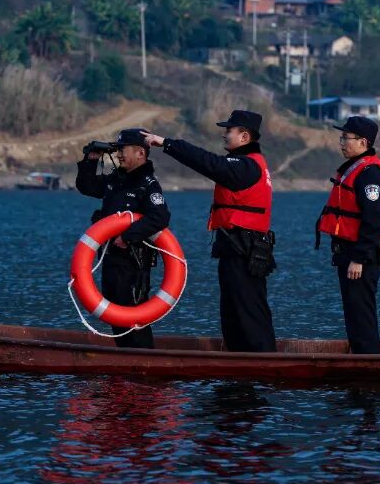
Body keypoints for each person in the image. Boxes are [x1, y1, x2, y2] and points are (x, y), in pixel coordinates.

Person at [142, 110, 277, 353]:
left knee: (248, 306)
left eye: (229, 131)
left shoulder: (246, 166)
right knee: (234, 307)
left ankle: (261, 359)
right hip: (238, 247)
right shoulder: (248, 163)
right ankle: (239, 357)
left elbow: (207, 162)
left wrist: (166, 143)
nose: (224, 135)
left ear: (245, 136)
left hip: (244, 249)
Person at [75, 128, 170, 349]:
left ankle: (144, 361)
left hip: (133, 262)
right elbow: (86, 186)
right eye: (117, 150)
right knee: (115, 314)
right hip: (110, 258)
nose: (118, 154)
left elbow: (160, 217)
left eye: (122, 150)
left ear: (140, 153)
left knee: (133, 316)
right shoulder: (115, 181)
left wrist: (127, 237)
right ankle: (125, 361)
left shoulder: (148, 185)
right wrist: (90, 160)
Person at [315, 116, 380, 354]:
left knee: (361, 314)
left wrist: (358, 258)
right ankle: (360, 358)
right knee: (353, 313)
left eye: (346, 138)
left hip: (361, 257)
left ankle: (369, 364)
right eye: (342, 137)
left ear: (363, 142)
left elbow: (373, 220)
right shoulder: (354, 169)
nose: (341, 143)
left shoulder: (370, 174)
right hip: (348, 253)